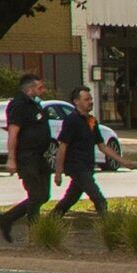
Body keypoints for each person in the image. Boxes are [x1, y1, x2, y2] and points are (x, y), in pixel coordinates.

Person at [0, 73, 55, 233]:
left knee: (43, 195)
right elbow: (13, 133)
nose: (43, 91)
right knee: (36, 194)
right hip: (26, 157)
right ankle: (35, 233)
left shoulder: (34, 105)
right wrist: (11, 159)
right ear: (29, 90)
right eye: (40, 88)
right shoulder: (19, 105)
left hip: (40, 157)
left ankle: (7, 218)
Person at [51, 87, 112, 219]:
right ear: (76, 102)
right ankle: (109, 226)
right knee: (98, 198)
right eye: (86, 99)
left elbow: (102, 146)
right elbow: (62, 147)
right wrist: (58, 172)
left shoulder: (92, 121)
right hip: (76, 167)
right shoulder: (71, 120)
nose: (90, 102)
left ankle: (52, 219)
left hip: (87, 166)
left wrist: (123, 161)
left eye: (91, 99)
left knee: (70, 198)